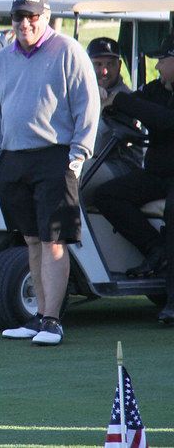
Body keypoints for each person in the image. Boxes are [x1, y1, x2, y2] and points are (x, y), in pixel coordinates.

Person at [0, 0, 99, 346]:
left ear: (45, 16)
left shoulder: (68, 51)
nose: (25, 23)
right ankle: (38, 317)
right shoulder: (3, 59)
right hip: (14, 158)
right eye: (19, 16)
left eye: (32, 16)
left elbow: (87, 105)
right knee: (32, 240)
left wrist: (78, 155)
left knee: (53, 242)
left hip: (56, 156)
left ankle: (52, 320)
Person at [93, 35, 174, 314]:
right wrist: (112, 102)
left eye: (162, 61)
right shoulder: (156, 90)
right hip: (158, 175)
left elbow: (164, 121)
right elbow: (130, 102)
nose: (158, 66)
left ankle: (172, 302)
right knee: (107, 195)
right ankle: (156, 249)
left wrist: (121, 100)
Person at [79, 37, 144, 205]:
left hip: (121, 165)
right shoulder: (79, 93)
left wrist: (97, 106)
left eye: (110, 64)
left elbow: (98, 143)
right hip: (92, 161)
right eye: (98, 65)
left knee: (71, 177)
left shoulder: (126, 99)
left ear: (120, 66)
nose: (104, 71)